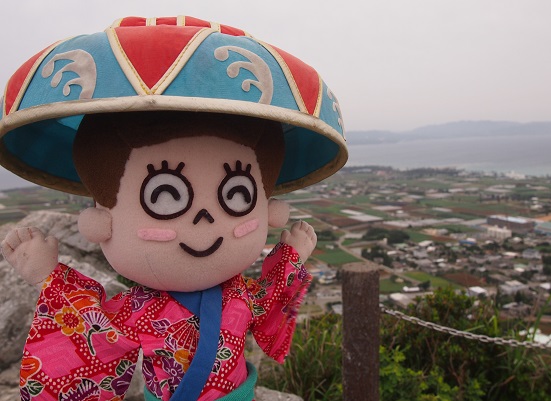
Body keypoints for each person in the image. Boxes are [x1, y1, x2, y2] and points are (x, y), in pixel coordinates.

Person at [0, 16, 347, 401]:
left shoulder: (240, 297)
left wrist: (291, 256)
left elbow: (268, 304)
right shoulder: (140, 309)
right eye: (165, 195)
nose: (205, 218)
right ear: (102, 222)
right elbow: (91, 326)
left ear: (268, 210)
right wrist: (47, 276)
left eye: (236, 194)